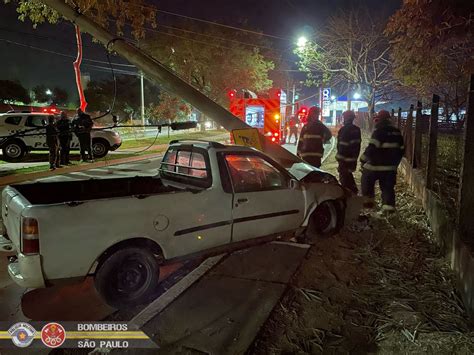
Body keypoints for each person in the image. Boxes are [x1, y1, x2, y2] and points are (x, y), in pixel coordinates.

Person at [360, 110, 405, 213]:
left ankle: (368, 205)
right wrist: (394, 165)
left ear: (378, 120)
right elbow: (402, 149)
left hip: (375, 166)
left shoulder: (378, 132)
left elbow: (371, 149)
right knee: (387, 187)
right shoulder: (397, 132)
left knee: (366, 180)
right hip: (390, 168)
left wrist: (362, 159)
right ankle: (389, 209)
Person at [336, 110, 361, 193]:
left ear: (345, 118)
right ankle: (353, 192)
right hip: (352, 159)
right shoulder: (357, 130)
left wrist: (339, 158)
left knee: (344, 180)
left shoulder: (344, 130)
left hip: (344, 160)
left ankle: (351, 196)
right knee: (348, 177)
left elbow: (342, 146)